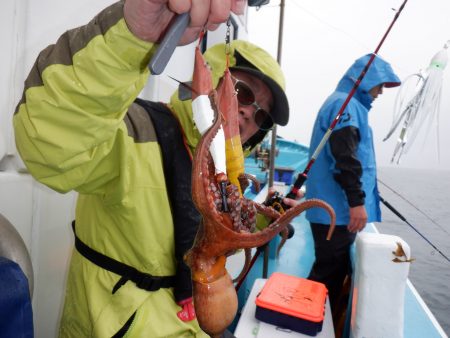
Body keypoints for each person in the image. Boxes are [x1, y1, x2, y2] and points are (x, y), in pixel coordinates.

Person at [13, 1, 297, 337]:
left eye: (262, 115)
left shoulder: (225, 173)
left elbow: (220, 232)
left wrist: (268, 217)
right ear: (211, 77)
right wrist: (132, 38)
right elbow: (52, 140)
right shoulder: (134, 130)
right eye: (243, 92)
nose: (250, 113)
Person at [305, 54, 401, 319]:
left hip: (334, 211)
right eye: (380, 84)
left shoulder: (348, 105)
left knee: (332, 271)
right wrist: (357, 203)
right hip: (335, 212)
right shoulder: (345, 105)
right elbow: (345, 159)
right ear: (365, 79)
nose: (381, 91)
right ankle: (306, 322)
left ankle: (314, 321)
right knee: (326, 275)